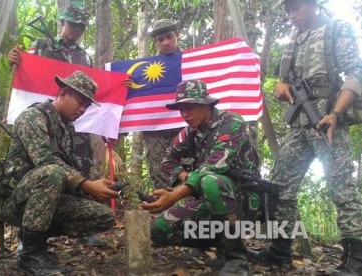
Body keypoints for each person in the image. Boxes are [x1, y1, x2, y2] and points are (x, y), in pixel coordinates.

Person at [255, 0, 362, 274]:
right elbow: (283, 80)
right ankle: (279, 252)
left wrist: (336, 114)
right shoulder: (293, 41)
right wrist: (281, 87)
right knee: (279, 186)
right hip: (298, 125)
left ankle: (355, 260)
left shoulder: (336, 29)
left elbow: (355, 73)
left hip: (327, 121)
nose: (291, 15)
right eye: (287, 11)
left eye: (297, 8)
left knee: (342, 188)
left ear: (312, 6)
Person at [0, 71, 117, 275]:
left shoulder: (66, 128)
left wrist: (95, 188)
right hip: (13, 201)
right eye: (80, 101)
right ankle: (30, 255)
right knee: (51, 172)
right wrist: (86, 184)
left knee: (104, 216)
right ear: (63, 93)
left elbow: (69, 172)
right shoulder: (33, 117)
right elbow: (46, 161)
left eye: (87, 105)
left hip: (45, 200)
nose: (83, 109)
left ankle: (36, 241)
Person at [8, 1, 104, 247]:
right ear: (62, 23)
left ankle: (71, 226)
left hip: (70, 121)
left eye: (81, 27)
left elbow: (92, 86)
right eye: (73, 25)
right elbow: (23, 64)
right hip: (45, 114)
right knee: (47, 168)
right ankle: (29, 237)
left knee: (79, 163)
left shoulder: (85, 56)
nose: (77, 30)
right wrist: (16, 58)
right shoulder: (41, 45)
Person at [142, 79, 260, 275]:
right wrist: (183, 175)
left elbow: (214, 164)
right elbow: (167, 158)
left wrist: (173, 196)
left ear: (206, 104)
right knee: (156, 230)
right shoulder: (189, 132)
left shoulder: (231, 122)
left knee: (210, 181)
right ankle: (221, 241)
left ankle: (236, 258)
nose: (184, 114)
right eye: (181, 109)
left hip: (243, 199)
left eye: (189, 107)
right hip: (209, 201)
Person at [124, 19, 183, 190]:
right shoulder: (143, 70)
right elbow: (133, 96)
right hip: (155, 133)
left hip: (184, 129)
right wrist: (126, 86)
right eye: (160, 39)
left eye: (169, 37)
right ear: (155, 42)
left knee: (190, 178)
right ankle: (163, 216)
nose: (165, 42)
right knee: (160, 179)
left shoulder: (191, 62)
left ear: (177, 36)